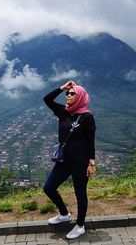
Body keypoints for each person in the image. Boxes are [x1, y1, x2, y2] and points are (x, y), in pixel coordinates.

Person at [43, 80, 96, 239]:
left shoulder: (87, 117)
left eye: (72, 93)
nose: (68, 95)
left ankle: (80, 226)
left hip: (80, 162)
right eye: (68, 93)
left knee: (80, 194)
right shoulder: (63, 111)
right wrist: (62, 88)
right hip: (64, 161)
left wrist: (91, 162)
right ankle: (64, 214)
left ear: (80, 96)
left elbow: (90, 141)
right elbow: (47, 99)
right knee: (49, 187)